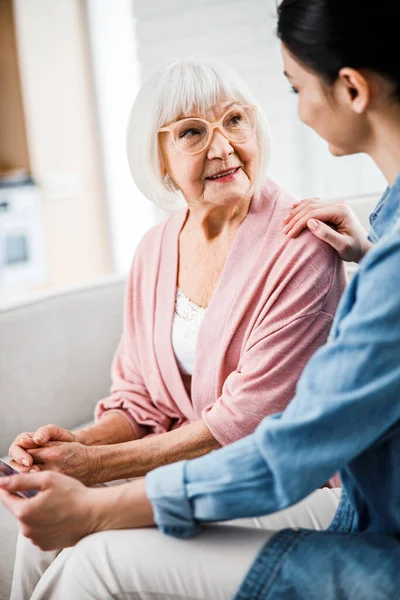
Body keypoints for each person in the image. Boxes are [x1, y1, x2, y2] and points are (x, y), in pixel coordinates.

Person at [4, 0, 400, 595]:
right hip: (210, 468)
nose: (222, 146)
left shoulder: (303, 240)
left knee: (92, 551)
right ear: (159, 157)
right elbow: (137, 399)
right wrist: (71, 447)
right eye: (192, 132)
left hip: (301, 486)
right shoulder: (155, 250)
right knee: (33, 530)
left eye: (237, 120)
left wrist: (97, 475)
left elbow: (257, 431)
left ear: (350, 89)